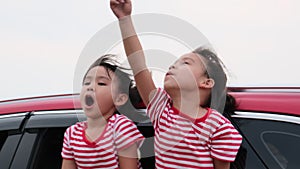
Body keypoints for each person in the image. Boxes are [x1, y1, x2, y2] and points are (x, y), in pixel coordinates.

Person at [110, 0, 243, 169]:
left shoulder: (218, 126)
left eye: (185, 63)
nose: (173, 66)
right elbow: (138, 65)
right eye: (175, 62)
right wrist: (124, 19)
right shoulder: (162, 110)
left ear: (206, 82)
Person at [61, 54, 144, 169]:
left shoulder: (120, 127)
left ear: (119, 99)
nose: (90, 87)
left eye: (101, 83)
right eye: (86, 83)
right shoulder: (72, 134)